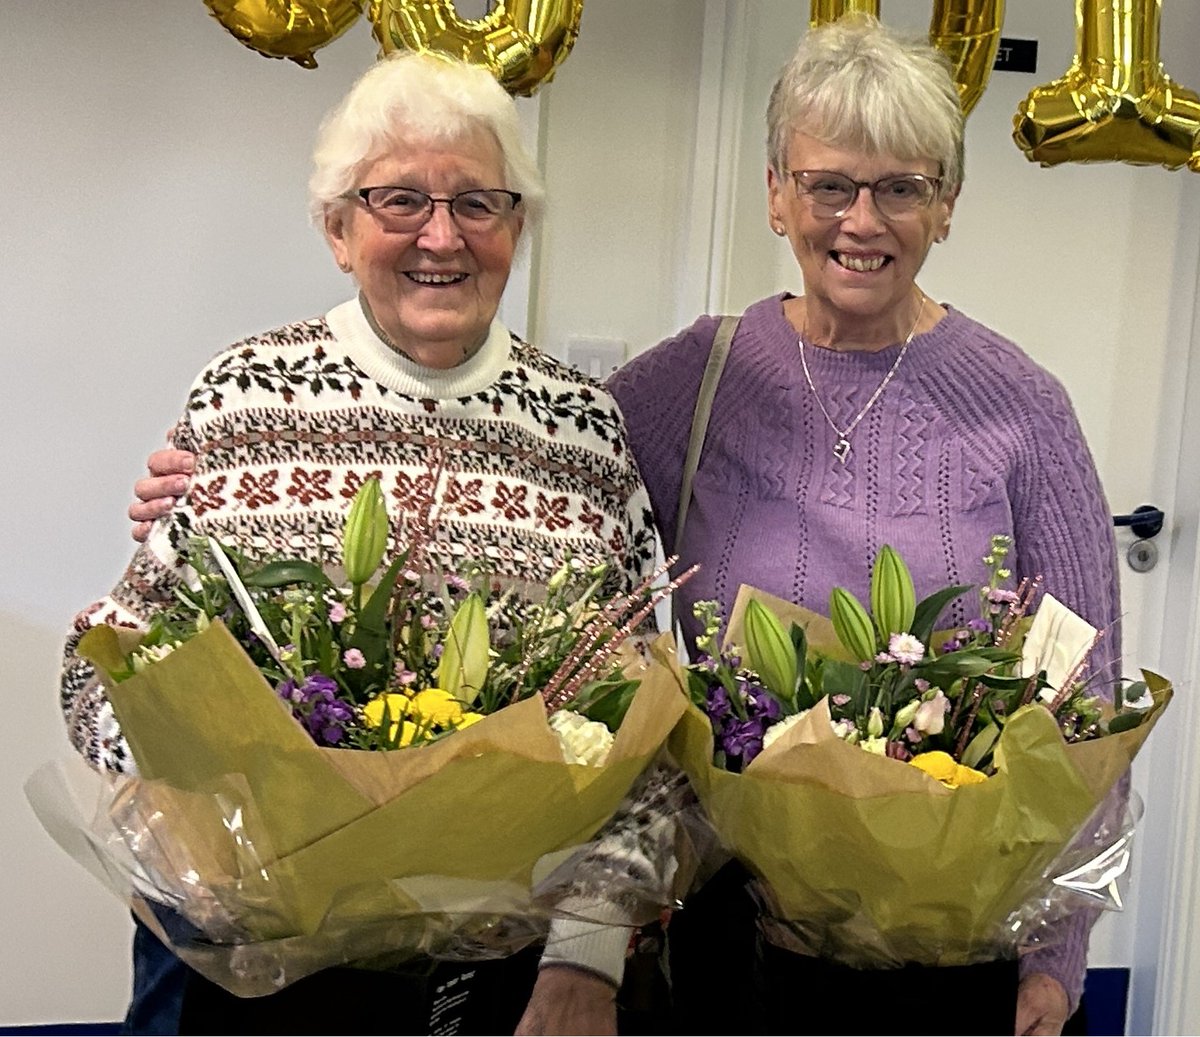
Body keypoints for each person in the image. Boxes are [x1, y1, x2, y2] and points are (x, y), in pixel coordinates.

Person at [130, 17, 1123, 1037]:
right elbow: (508, 456)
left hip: (954, 952)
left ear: (946, 204)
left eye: (901, 187)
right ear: (778, 192)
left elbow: (1087, 694)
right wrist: (186, 507)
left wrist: (1055, 956)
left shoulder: (1018, 408)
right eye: (829, 184)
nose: (860, 220)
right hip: (728, 939)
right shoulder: (683, 384)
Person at [64, 49, 669, 1036]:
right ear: (339, 230)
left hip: (494, 971)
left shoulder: (582, 432)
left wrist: (588, 952)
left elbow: (641, 708)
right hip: (254, 956)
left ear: (517, 226)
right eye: (399, 201)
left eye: (480, 202)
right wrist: (191, 830)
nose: (443, 235)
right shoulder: (248, 393)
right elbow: (121, 672)